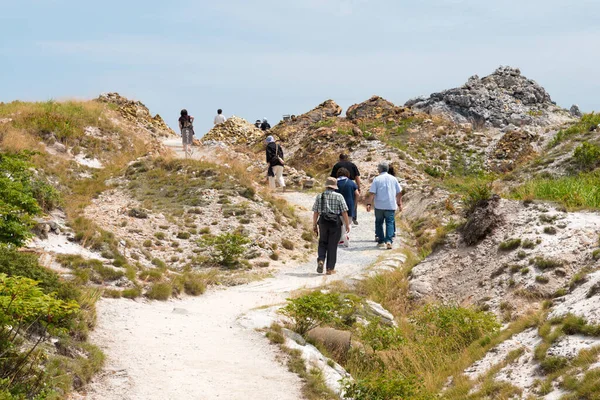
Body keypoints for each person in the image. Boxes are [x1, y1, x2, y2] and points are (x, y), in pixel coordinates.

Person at [312, 177, 350, 275]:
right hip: (334, 222)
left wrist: (314, 225)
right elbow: (344, 212)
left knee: (322, 242)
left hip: (323, 221)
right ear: (334, 187)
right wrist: (347, 224)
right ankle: (330, 269)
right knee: (332, 245)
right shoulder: (339, 196)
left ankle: (321, 259)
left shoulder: (319, 196)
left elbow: (316, 212)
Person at [366, 162, 403, 250]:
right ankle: (389, 241)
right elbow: (399, 192)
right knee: (389, 222)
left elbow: (372, 193)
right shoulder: (394, 179)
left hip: (379, 205)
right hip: (390, 205)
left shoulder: (377, 179)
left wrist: (369, 204)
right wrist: (399, 203)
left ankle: (381, 241)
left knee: (379, 222)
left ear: (380, 169)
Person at [330, 154, 361, 225]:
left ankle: (338, 216)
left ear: (340, 158)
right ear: (347, 158)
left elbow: (332, 178)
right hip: (350, 184)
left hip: (338, 184)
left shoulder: (337, 165)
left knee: (339, 200)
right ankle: (353, 216)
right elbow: (357, 177)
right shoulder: (352, 165)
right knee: (351, 200)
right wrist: (358, 187)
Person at [335, 168, 359, 247]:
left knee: (340, 223)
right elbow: (357, 194)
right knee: (348, 222)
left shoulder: (335, 182)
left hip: (337, 205)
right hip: (349, 204)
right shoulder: (351, 182)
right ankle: (346, 235)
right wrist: (355, 204)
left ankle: (341, 239)